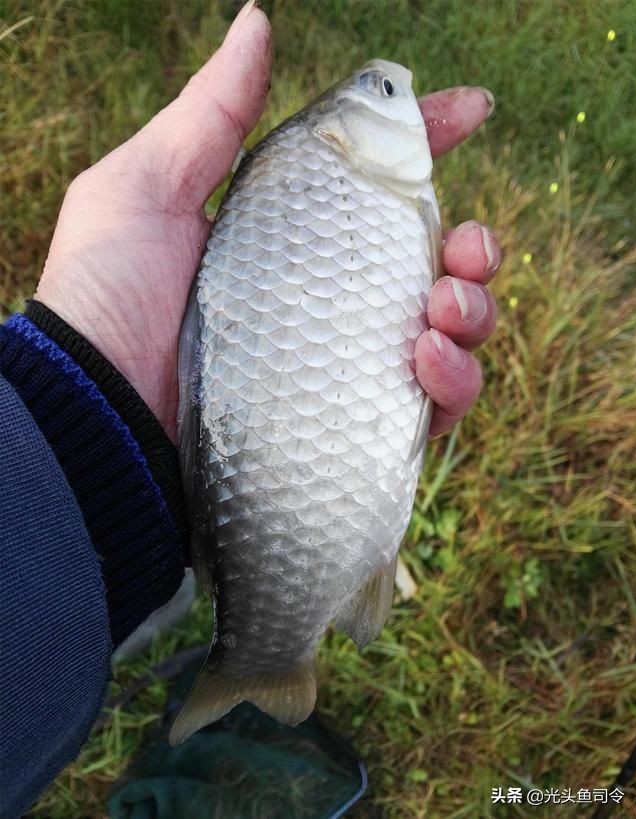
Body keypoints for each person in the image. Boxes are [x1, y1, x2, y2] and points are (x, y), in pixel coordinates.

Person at [0, 2, 501, 816]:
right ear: (340, 135)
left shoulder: (326, 169)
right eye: (380, 90)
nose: (394, 92)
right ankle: (258, 653)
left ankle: (258, 650)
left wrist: (85, 422)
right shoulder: (320, 164)